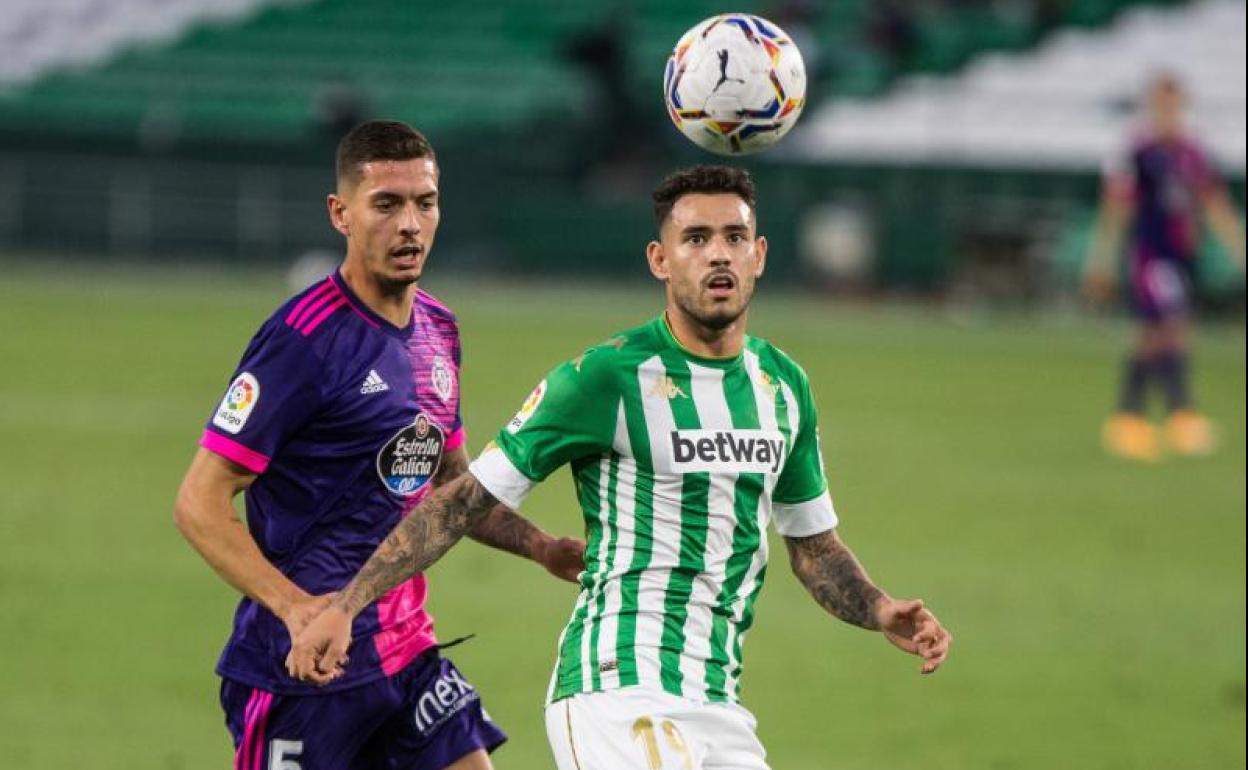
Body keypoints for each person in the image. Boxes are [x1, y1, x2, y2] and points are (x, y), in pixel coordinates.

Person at [288, 164, 953, 769]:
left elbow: (813, 548)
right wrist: (348, 605)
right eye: (695, 239)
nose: (717, 253)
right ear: (660, 260)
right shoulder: (606, 376)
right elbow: (460, 501)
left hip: (718, 702)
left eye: (733, 236)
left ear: (759, 256)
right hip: (617, 689)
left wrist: (879, 608)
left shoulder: (784, 387)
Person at [173, 120, 585, 770]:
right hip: (303, 670)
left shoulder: (438, 329)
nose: (410, 224)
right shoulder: (302, 342)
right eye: (387, 204)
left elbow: (450, 487)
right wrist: (295, 609)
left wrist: (539, 546)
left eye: (425, 202)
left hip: (404, 650)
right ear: (341, 213)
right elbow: (200, 500)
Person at [1084, 73, 1245, 461]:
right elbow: (1116, 209)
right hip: (1150, 256)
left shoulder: (1193, 154)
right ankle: (1146, 415)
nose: (1168, 113)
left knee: (1173, 332)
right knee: (1161, 330)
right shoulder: (1139, 153)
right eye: (1161, 105)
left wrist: (1238, 246)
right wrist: (1101, 260)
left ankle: (1157, 416)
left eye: (1174, 105)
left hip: (1181, 257)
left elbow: (1214, 204)